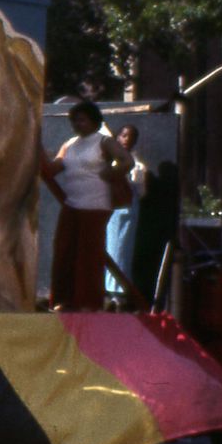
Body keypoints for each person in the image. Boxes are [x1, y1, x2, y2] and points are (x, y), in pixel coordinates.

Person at [43, 100, 131, 311]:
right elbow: (53, 169)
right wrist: (38, 153)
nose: (77, 124)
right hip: (72, 204)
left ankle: (88, 303)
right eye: (74, 120)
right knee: (64, 250)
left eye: (82, 120)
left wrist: (112, 172)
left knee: (88, 254)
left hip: (96, 205)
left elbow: (127, 161)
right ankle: (63, 300)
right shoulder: (69, 144)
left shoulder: (104, 142)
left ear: (94, 121)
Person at [104, 123, 149, 306]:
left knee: (121, 249)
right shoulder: (109, 160)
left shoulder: (137, 166)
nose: (126, 140)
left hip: (124, 209)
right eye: (123, 135)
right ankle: (106, 289)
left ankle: (117, 291)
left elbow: (142, 192)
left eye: (131, 137)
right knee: (107, 247)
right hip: (106, 207)